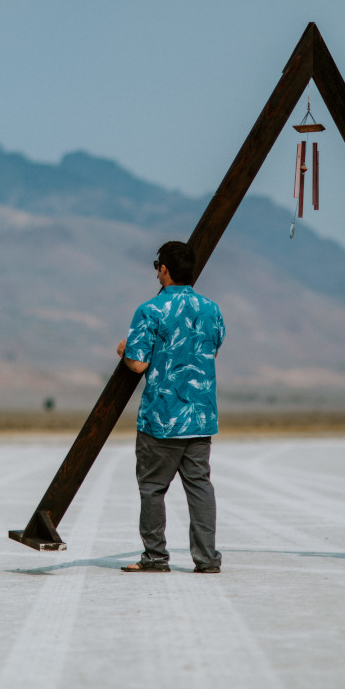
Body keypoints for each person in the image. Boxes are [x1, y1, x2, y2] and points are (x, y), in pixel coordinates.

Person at [116, 240, 226, 574]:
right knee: (200, 489)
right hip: (200, 418)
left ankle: (155, 558)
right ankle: (207, 560)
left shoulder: (151, 310)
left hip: (161, 419)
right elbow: (212, 351)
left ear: (164, 269)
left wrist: (124, 350)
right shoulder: (211, 309)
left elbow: (137, 364)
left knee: (152, 489)